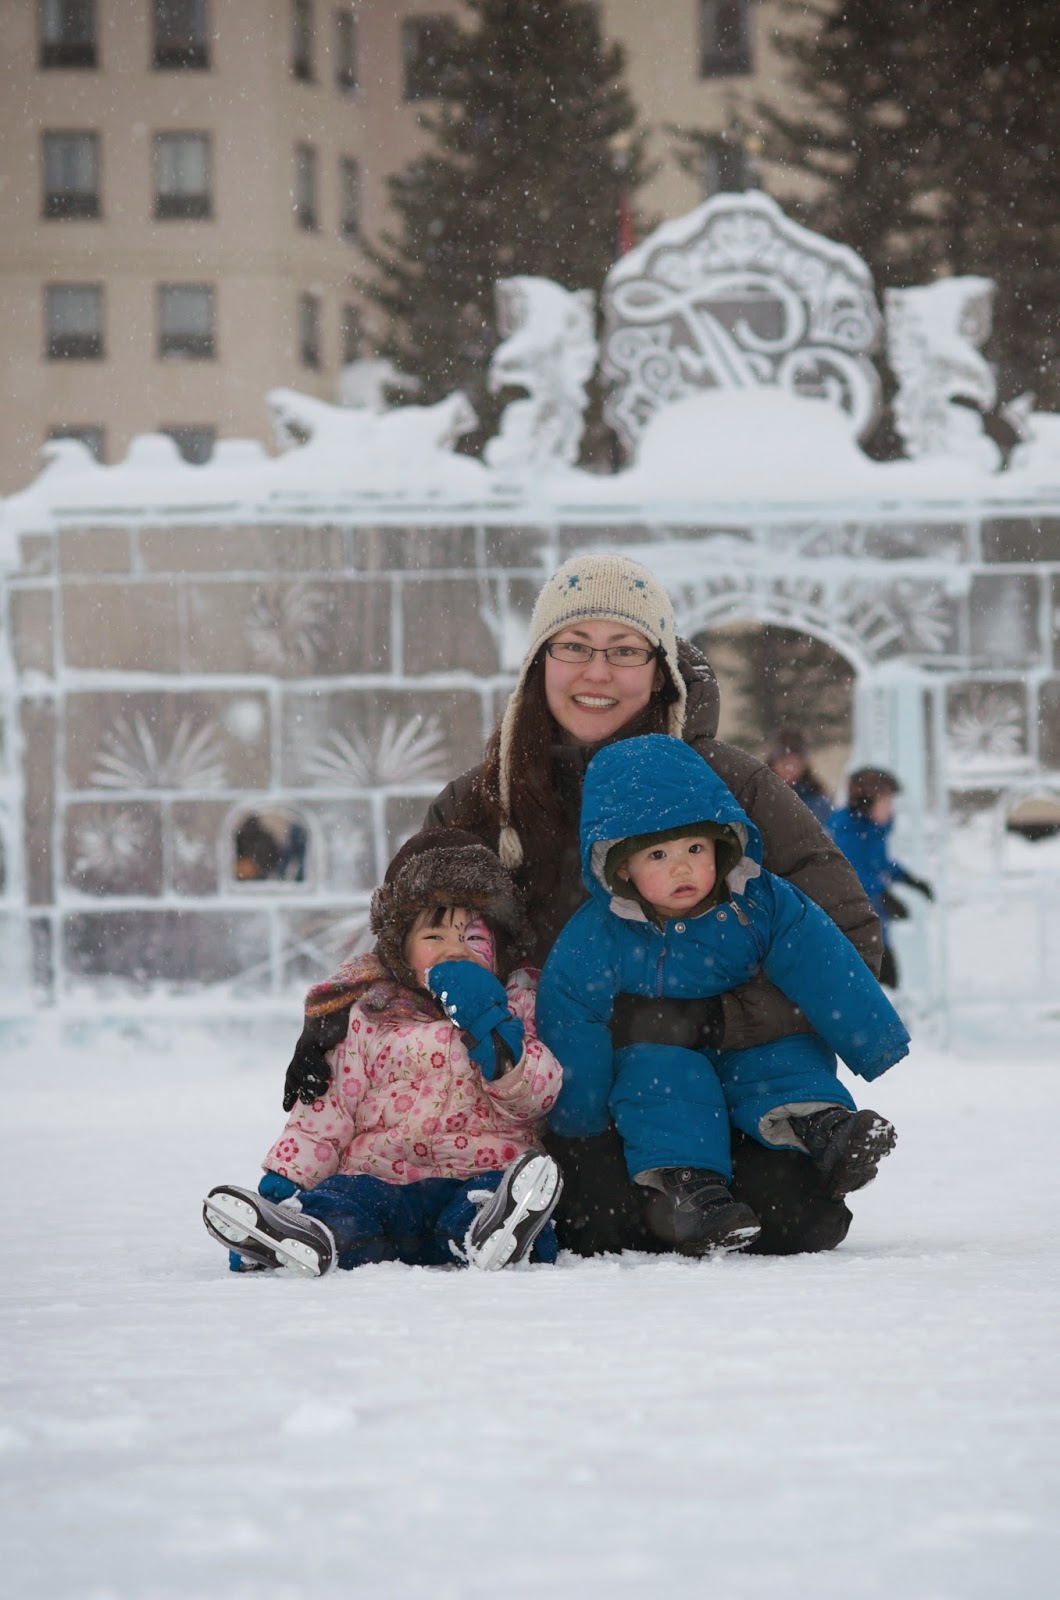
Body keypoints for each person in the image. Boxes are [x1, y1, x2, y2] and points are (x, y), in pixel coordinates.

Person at [284, 552, 885, 1258]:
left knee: (788, 1215)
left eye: (624, 651)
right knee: (590, 1216)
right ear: (540, 662)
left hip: (720, 1083)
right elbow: (416, 935)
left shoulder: (730, 789)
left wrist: (712, 1019)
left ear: (658, 668)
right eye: (574, 647)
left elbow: (848, 937)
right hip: (554, 1103)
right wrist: (337, 1012)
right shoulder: (484, 800)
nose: (597, 673)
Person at [536, 735, 908, 1256]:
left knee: (783, 1055)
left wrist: (873, 1038)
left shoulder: (755, 900)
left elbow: (819, 957)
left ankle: (827, 1130)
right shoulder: (602, 931)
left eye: (695, 849)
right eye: (659, 855)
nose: (682, 868)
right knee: (659, 1083)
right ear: (622, 867)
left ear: (721, 843)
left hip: (742, 1031)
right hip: (663, 1046)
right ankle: (696, 1191)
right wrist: (581, 1116)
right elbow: (569, 1008)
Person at [204, 829, 563, 1276]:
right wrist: (288, 1176)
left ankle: (496, 1230)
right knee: (347, 1205)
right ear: (399, 949)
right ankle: (300, 1232)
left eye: (474, 939)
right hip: (382, 1177)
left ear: (500, 949)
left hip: (477, 1172)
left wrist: (498, 1039)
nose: (455, 950)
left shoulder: (519, 1005)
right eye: (434, 936)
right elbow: (330, 1109)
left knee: (488, 1195)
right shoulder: (370, 1016)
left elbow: (540, 1097)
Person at [829, 768, 934, 990]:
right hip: (854, 933)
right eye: (884, 802)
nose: (890, 809)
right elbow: (853, 881)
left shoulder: (872, 832)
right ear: (865, 803)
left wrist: (909, 880)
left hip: (875, 930)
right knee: (875, 987)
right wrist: (884, 896)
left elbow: (881, 865)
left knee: (888, 983)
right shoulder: (849, 837)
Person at [765, 726, 834, 829]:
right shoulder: (758, 795)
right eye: (784, 762)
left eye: (794, 762)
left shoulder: (817, 800)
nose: (789, 768)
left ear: (804, 765)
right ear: (773, 763)